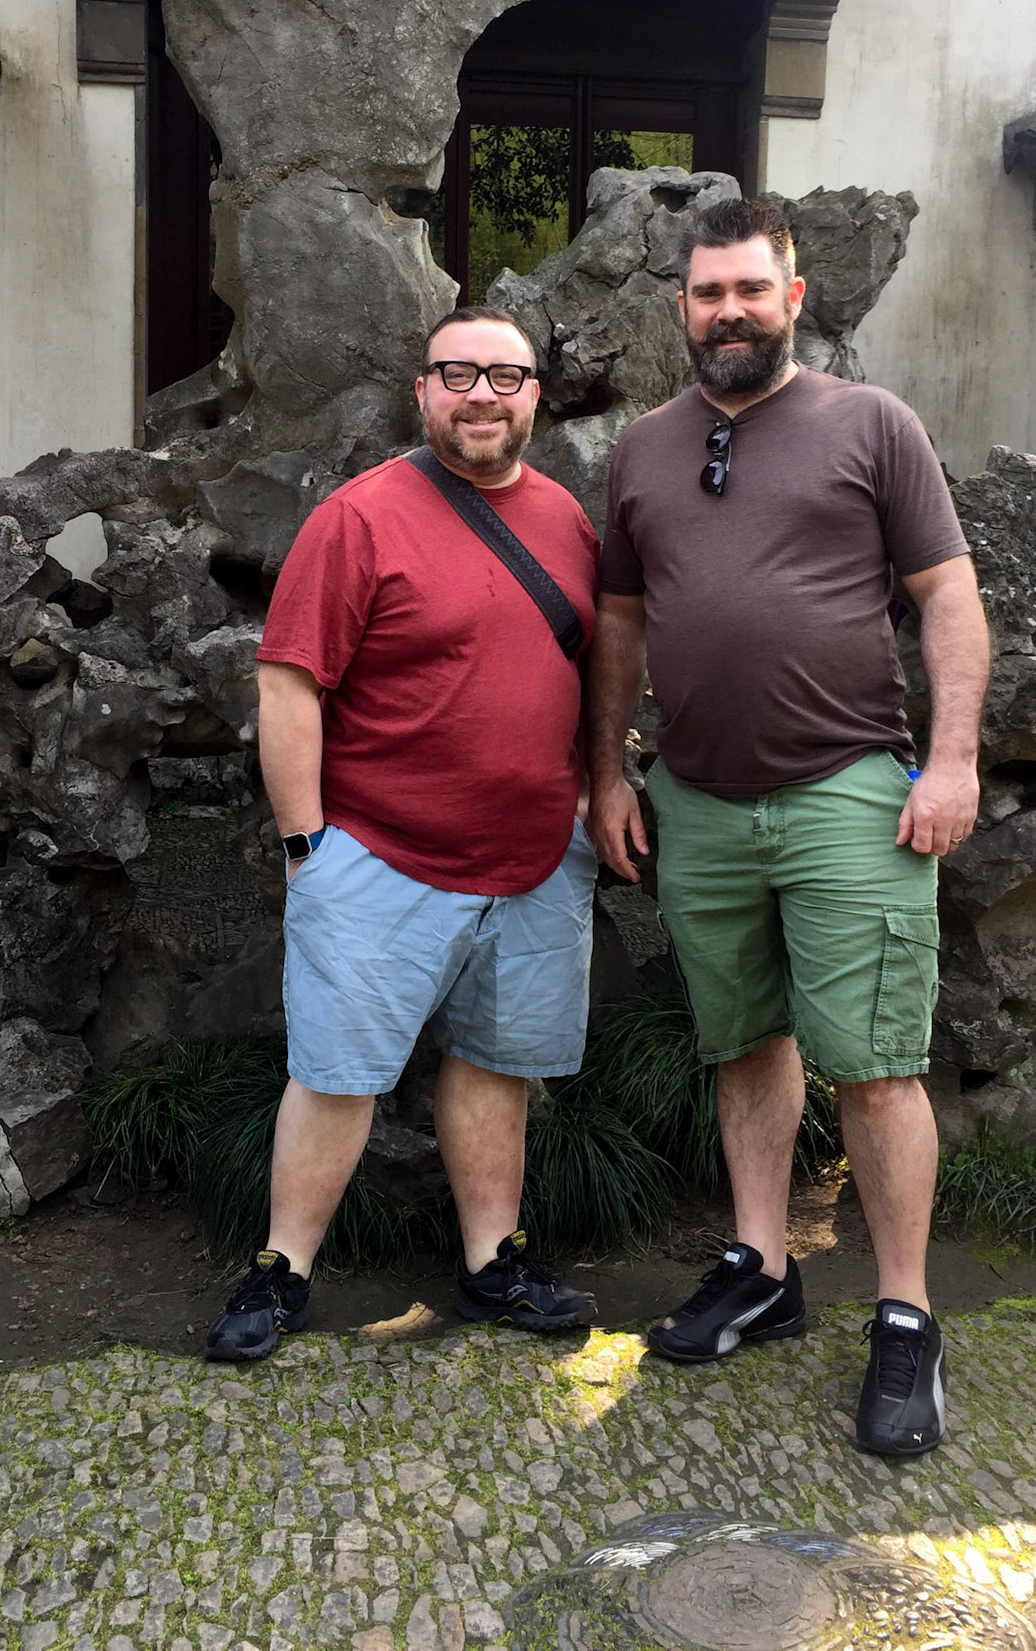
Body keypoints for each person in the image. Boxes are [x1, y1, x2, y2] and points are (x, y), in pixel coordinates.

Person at [588, 196, 990, 1457]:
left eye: (751, 290)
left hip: (846, 796)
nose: (729, 312)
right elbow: (618, 625)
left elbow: (949, 596)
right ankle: (759, 1266)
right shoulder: (644, 447)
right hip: (697, 802)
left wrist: (955, 758)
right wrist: (607, 771)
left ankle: (907, 1314)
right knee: (743, 1041)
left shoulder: (873, 425)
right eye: (709, 293)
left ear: (794, 298)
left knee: (873, 1062)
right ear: (681, 307)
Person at [206, 307, 601, 1362]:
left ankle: (490, 1261)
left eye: (506, 376)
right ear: (421, 389)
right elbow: (289, 683)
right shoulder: (359, 516)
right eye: (459, 373)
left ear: (535, 396)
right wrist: (308, 847)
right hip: (379, 855)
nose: (483, 394)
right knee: (336, 1072)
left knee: (494, 1064)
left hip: (531, 863)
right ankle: (283, 1266)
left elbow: (592, 670)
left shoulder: (566, 519)